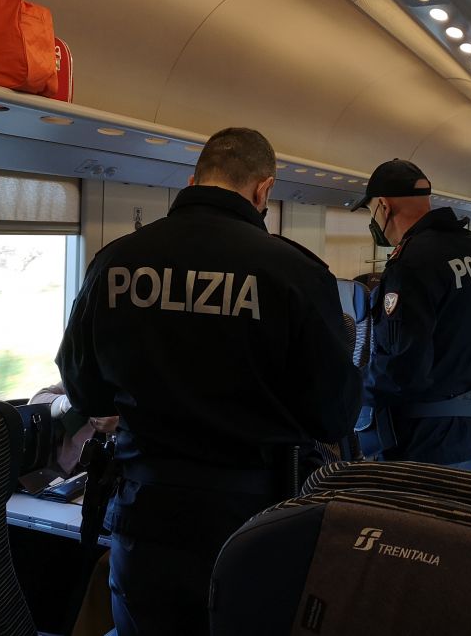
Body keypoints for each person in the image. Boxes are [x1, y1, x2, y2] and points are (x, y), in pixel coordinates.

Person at [56, 126, 361, 635]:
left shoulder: (115, 261)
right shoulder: (296, 273)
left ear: (193, 180)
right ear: (264, 189)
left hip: (145, 516)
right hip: (253, 521)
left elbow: (82, 387)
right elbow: (332, 414)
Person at [351, 158, 471, 469]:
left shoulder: (412, 263)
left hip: (424, 441)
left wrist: (349, 388)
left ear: (384, 206)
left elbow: (403, 369)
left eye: (371, 212)